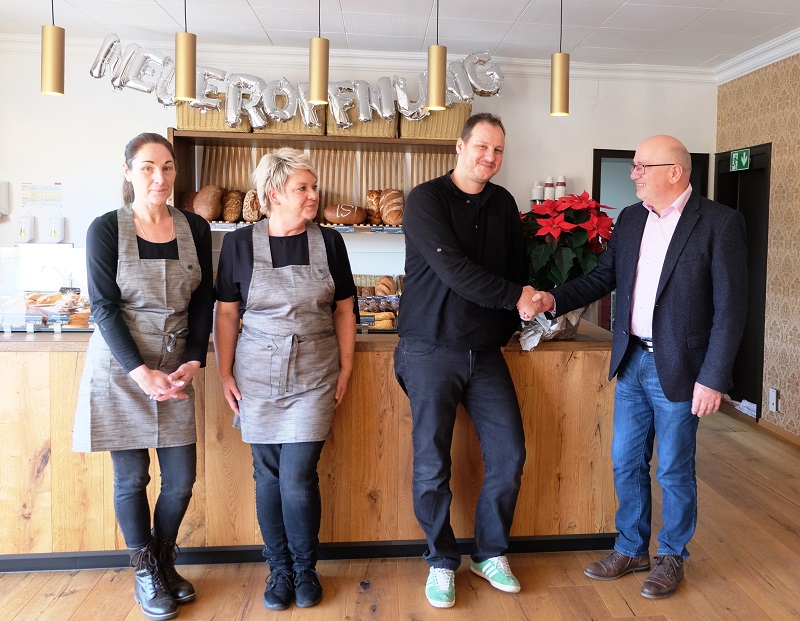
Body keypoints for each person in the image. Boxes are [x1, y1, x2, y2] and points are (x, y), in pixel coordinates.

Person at [529, 135, 748, 599]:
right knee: (625, 462)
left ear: (675, 171)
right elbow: (603, 278)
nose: (634, 174)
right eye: (634, 166)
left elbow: (731, 309)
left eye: (642, 166)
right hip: (631, 363)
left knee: (672, 469)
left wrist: (713, 377)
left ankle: (672, 556)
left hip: (683, 369)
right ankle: (631, 548)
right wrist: (553, 298)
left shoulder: (719, 224)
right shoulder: (630, 221)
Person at [394, 112, 539, 609]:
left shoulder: (503, 203)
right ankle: (440, 561)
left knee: (510, 454)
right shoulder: (425, 200)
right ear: (459, 147)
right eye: (481, 147)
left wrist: (523, 310)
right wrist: (518, 296)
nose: (489, 158)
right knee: (433, 462)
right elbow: (454, 271)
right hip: (429, 347)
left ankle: (489, 552)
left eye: (498, 151)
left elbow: (516, 268)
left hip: (485, 352)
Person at [73, 132, 214, 620]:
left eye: (169, 167)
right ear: (129, 171)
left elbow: (202, 301)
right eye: (149, 167)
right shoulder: (106, 228)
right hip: (120, 367)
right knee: (132, 479)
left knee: (180, 481)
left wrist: (193, 360)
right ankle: (146, 571)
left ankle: (164, 557)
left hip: (176, 367)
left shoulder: (195, 227)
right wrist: (140, 372)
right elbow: (103, 308)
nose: (161, 177)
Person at [213, 148, 356, 612]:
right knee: (267, 473)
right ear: (274, 193)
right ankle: (278, 569)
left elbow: (345, 309)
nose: (314, 195)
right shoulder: (238, 244)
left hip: (315, 370)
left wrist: (348, 366)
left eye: (314, 187)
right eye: (304, 188)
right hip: (256, 373)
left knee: (296, 475)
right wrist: (224, 371)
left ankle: (304, 567)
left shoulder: (330, 242)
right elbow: (228, 312)